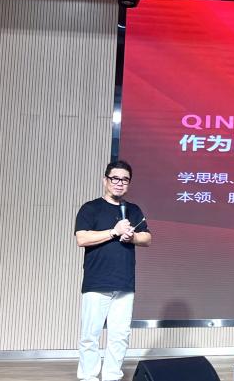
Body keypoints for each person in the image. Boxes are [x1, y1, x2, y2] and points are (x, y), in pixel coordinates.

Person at [74, 160, 152, 381]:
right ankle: (88, 376)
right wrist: (114, 232)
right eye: (115, 178)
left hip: (124, 282)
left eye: (124, 180)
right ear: (105, 180)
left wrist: (132, 236)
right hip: (97, 282)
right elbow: (82, 238)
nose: (119, 183)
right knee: (90, 335)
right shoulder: (90, 208)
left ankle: (112, 376)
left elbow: (147, 238)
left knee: (120, 335)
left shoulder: (133, 210)